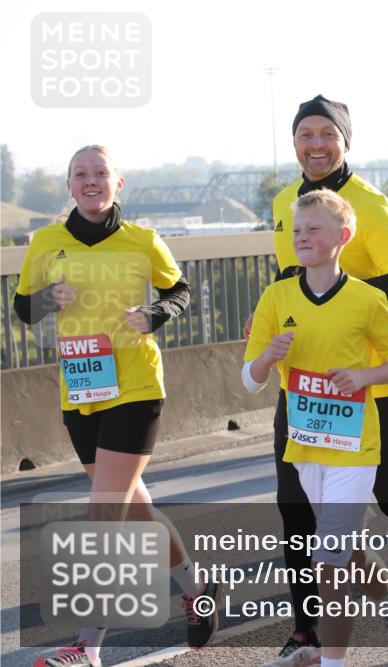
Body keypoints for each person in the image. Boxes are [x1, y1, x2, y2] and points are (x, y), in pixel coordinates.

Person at [259, 95, 388, 663]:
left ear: (346, 142)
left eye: (328, 134)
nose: (316, 145)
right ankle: (307, 631)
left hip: (369, 388)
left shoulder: (371, 205)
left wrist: (342, 296)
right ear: (294, 143)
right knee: (296, 509)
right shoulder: (284, 202)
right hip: (305, 389)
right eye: (306, 134)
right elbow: (292, 278)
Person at [15, 146, 219, 667]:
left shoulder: (142, 240)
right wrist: (47, 300)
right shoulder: (46, 242)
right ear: (69, 185)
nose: (91, 181)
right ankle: (196, 587)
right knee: (135, 510)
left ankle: (88, 646)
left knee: (104, 512)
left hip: (136, 385)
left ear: (118, 183)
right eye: (81, 174)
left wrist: (155, 313)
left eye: (100, 173)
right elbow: (23, 308)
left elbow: (180, 291)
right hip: (81, 389)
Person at [244, 189, 388, 667]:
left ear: (343, 236)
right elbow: (250, 380)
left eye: (313, 229)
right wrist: (267, 358)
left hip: (354, 448)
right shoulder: (276, 296)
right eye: (297, 230)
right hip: (306, 447)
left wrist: (364, 376)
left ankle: (333, 661)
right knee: (348, 550)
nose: (301, 237)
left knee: (327, 560)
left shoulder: (367, 299)